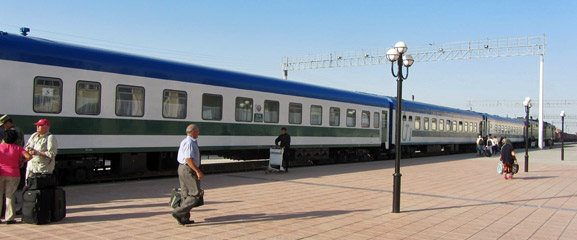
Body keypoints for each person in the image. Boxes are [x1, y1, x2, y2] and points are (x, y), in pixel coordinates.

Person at [172, 124, 203, 226]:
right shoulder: (189, 142)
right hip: (187, 169)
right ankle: (178, 212)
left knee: (185, 194)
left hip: (182, 168)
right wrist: (198, 171)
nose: (198, 133)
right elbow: (188, 159)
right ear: (193, 132)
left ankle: (184, 218)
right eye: (197, 131)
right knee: (195, 193)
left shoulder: (186, 141)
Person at [0, 130, 31, 224]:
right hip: (14, 173)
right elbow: (29, 156)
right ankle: (9, 218)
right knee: (10, 195)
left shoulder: (0, 146)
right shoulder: (18, 148)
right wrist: (22, 162)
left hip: (1, 172)